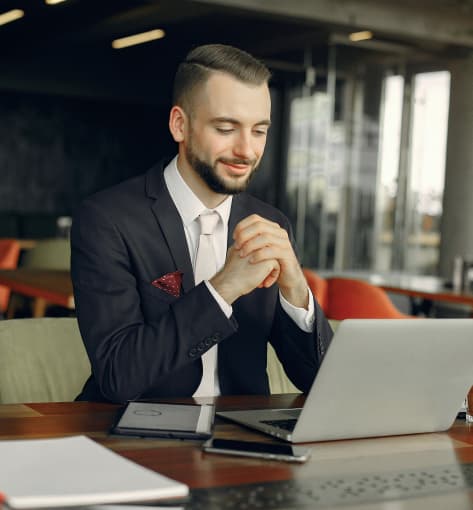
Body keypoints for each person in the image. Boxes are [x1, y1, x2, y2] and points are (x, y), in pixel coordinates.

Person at [71, 43, 333, 403]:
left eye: (259, 131)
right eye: (226, 128)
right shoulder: (107, 221)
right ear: (180, 125)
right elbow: (119, 376)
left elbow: (321, 382)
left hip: (240, 437)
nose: (247, 150)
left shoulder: (272, 224)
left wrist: (296, 292)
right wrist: (223, 288)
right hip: (132, 434)